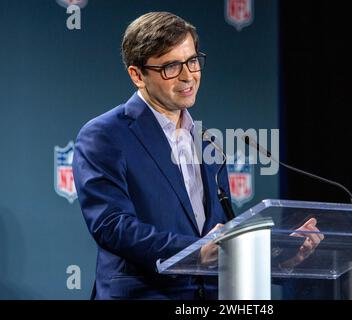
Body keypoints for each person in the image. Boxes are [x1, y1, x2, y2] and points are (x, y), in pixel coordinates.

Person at [73, 11, 322, 300]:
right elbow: (112, 225)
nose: (188, 75)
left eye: (192, 61)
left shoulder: (208, 142)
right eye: (171, 67)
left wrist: (279, 257)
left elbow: (220, 239)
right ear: (137, 75)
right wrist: (192, 252)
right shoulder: (105, 134)